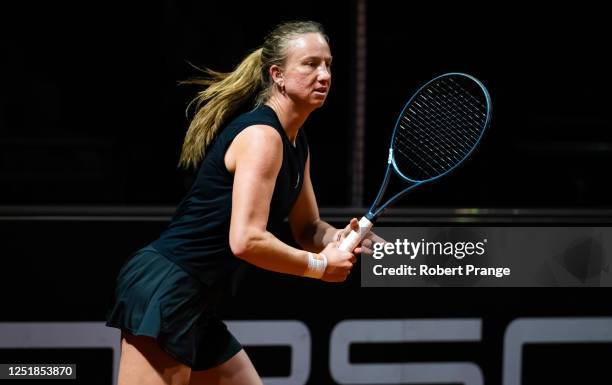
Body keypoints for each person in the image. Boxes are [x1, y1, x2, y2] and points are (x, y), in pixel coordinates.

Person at [106, 20, 376, 385]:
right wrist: (319, 266)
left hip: (197, 298)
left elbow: (308, 227)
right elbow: (246, 240)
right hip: (167, 287)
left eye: (328, 63)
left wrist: (342, 239)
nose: (324, 74)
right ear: (277, 74)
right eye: (310, 64)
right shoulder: (262, 137)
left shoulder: (296, 141)